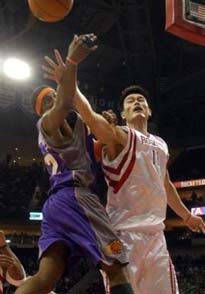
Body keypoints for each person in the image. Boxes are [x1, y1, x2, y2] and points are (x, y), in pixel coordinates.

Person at [42, 34, 205, 294]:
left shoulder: (161, 144)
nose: (137, 102)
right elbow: (91, 118)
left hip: (155, 237)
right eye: (131, 102)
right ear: (123, 114)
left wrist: (186, 215)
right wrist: (69, 81)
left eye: (142, 100)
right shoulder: (119, 136)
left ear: (149, 111)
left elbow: (165, 184)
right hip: (121, 237)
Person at [16, 34, 133, 294]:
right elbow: (65, 101)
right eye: (48, 99)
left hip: (56, 205)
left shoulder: (70, 128)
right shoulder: (48, 121)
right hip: (76, 198)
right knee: (116, 264)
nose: (55, 98)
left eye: (54, 95)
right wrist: (72, 61)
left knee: (46, 278)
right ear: (42, 108)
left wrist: (102, 126)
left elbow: (88, 149)